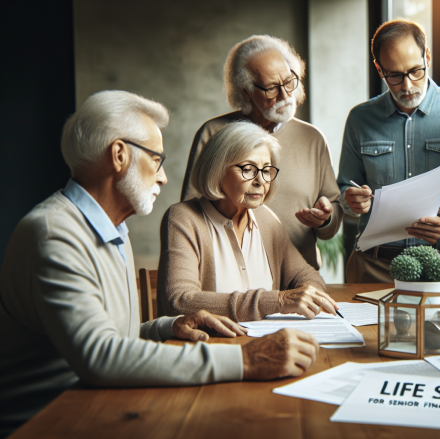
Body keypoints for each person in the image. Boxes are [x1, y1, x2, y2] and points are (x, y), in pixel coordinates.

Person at [0, 91, 320, 437]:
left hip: (100, 403)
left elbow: (111, 338)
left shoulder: (113, 229)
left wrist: (167, 327)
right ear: (119, 155)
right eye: (156, 159)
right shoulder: (54, 233)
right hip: (50, 421)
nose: (164, 177)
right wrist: (244, 359)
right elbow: (99, 357)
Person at [338, 19, 440, 282]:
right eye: (394, 75)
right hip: (373, 264)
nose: (407, 86)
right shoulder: (360, 119)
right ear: (379, 69)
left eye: (415, 71)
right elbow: (343, 190)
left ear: (427, 56)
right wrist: (351, 200)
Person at [180, 35, 342, 270]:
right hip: (233, 279)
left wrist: (326, 218)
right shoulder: (214, 133)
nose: (286, 95)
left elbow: (333, 214)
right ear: (245, 92)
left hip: (299, 281)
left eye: (289, 82)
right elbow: (189, 215)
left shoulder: (313, 138)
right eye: (272, 88)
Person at [159, 121, 338, 321]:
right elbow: (179, 301)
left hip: (270, 344)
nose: (260, 180)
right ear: (217, 170)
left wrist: (307, 296)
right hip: (214, 347)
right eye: (248, 169)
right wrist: (277, 301)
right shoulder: (183, 218)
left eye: (266, 170)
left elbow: (308, 277)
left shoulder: (267, 219)